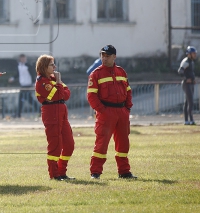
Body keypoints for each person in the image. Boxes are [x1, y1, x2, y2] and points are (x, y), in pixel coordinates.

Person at [87, 45, 136, 180]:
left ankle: (124, 171)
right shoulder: (96, 74)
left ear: (114, 57)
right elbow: (91, 96)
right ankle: (95, 172)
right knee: (101, 143)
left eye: (107, 55)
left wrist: (127, 109)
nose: (104, 58)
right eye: (102, 55)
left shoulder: (121, 72)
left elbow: (128, 91)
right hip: (106, 113)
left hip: (122, 112)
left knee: (123, 143)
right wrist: (103, 111)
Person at [34, 54, 75, 181]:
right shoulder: (41, 82)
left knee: (69, 144)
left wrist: (58, 86)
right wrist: (58, 83)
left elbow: (67, 94)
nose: (55, 67)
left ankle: (62, 171)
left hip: (61, 113)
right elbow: (55, 96)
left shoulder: (53, 78)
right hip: (51, 113)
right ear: (44, 67)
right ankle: (54, 174)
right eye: (52, 65)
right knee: (55, 145)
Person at [178, 46, 197, 125]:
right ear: (189, 54)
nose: (195, 55)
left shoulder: (191, 62)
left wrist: (193, 79)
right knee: (190, 102)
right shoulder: (186, 61)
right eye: (193, 53)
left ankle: (186, 120)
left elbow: (191, 72)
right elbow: (180, 71)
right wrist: (186, 79)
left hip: (191, 84)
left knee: (187, 102)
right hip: (187, 84)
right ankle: (191, 120)